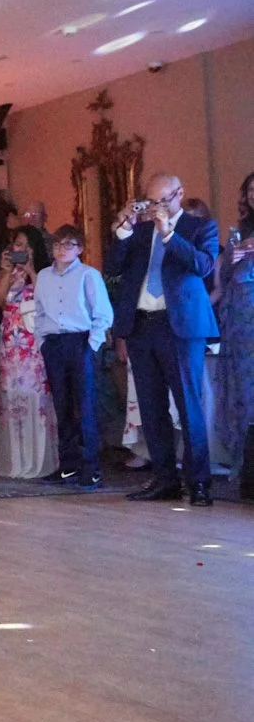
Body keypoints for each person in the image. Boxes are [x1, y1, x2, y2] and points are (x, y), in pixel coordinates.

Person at [109, 175, 219, 507]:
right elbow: (113, 267)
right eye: (151, 201)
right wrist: (123, 231)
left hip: (180, 327)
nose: (156, 207)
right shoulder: (140, 232)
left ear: (179, 194)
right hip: (142, 324)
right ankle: (164, 479)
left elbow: (202, 266)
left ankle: (199, 482)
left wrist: (169, 233)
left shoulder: (201, 227)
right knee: (151, 406)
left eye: (162, 200)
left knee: (188, 405)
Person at [34, 225, 114, 489]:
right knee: (62, 405)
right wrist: (42, 342)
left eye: (69, 244)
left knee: (85, 405)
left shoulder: (88, 275)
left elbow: (103, 313)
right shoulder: (44, 276)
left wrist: (92, 345)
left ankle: (91, 467)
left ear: (80, 248)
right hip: (54, 343)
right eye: (58, 244)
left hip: (80, 341)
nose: (62, 249)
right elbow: (39, 311)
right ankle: (68, 465)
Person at [0, 227, 58, 479]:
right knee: (10, 396)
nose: (22, 250)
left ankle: (38, 461)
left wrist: (31, 271)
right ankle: (14, 461)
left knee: (36, 396)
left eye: (27, 246)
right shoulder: (7, 272)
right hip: (10, 343)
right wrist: (6, 271)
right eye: (18, 244)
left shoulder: (46, 273)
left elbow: (48, 301)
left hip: (33, 344)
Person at [213, 172, 254, 493]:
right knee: (242, 391)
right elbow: (223, 276)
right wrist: (232, 257)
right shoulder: (241, 229)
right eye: (250, 190)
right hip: (240, 316)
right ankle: (244, 463)